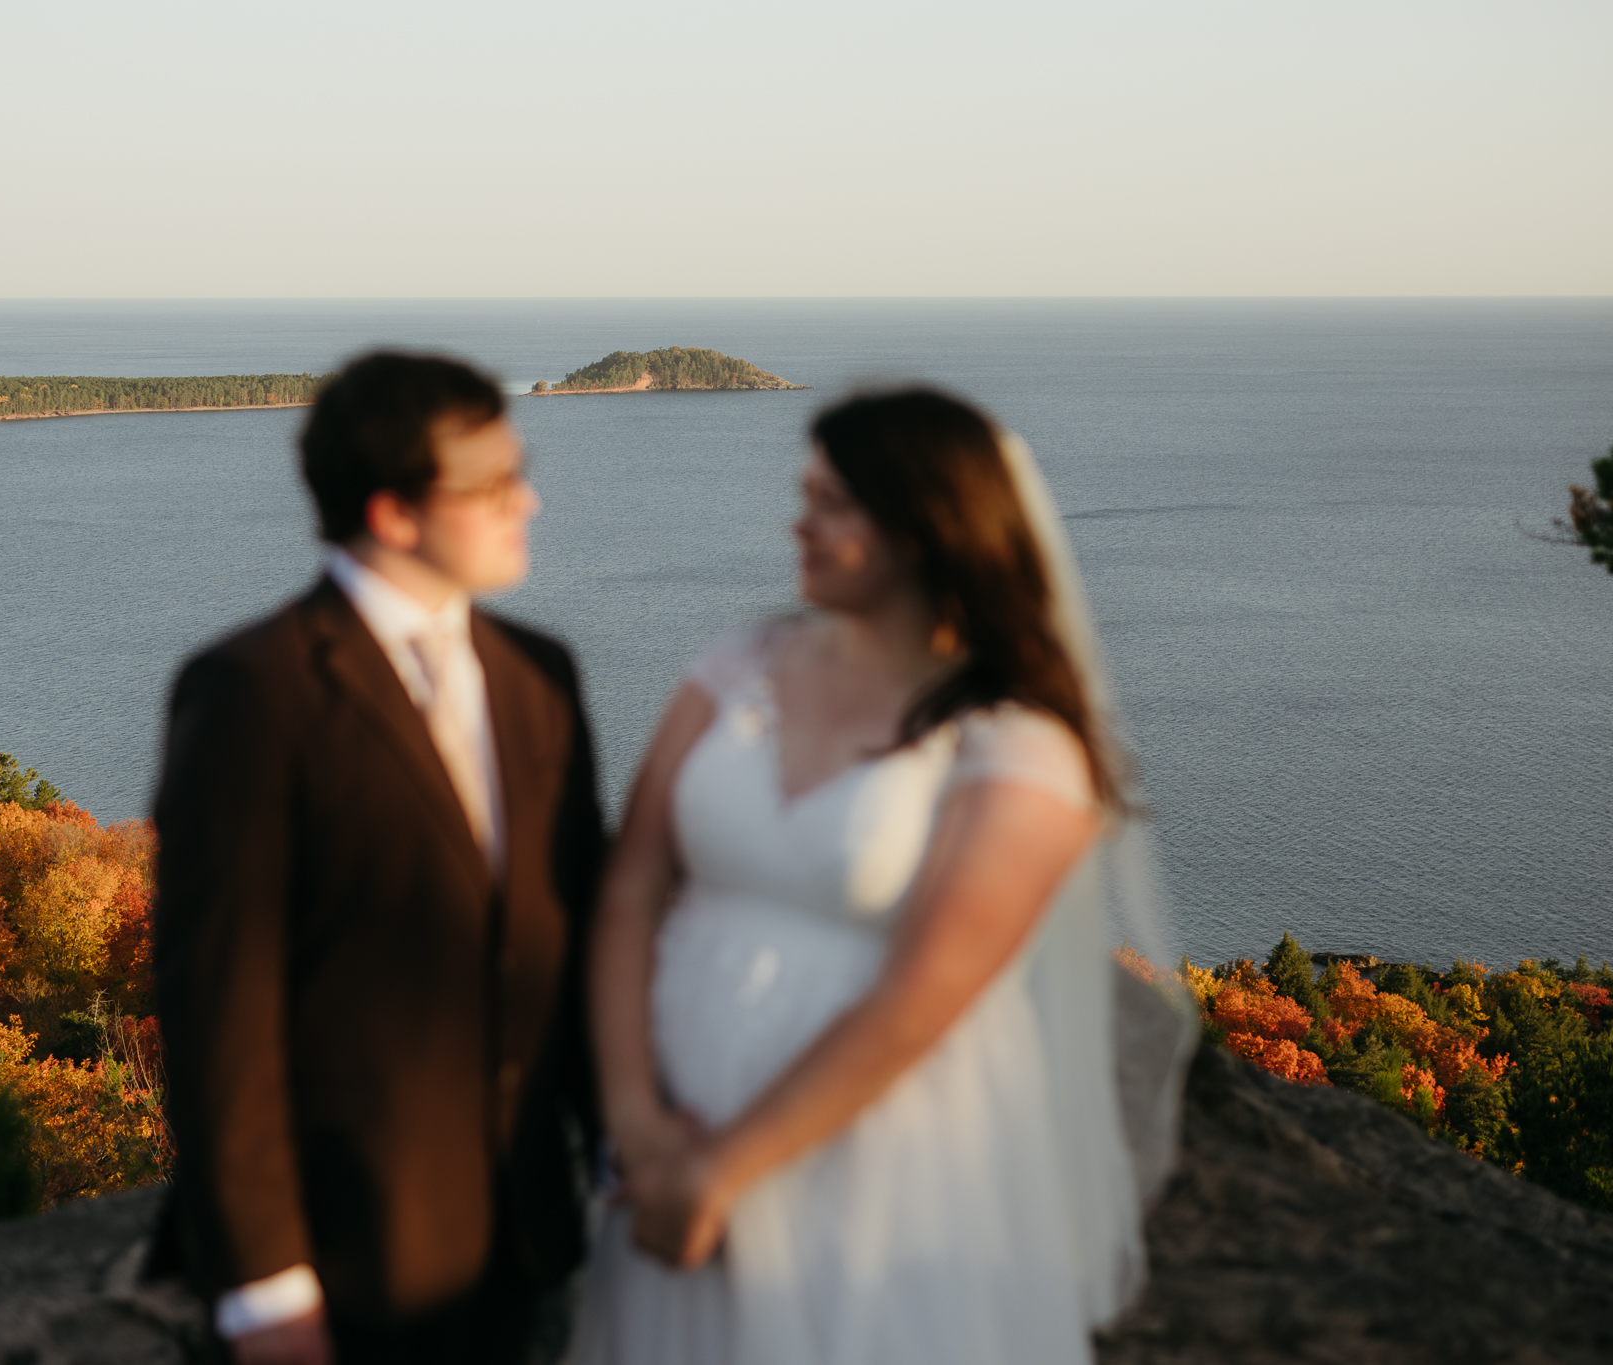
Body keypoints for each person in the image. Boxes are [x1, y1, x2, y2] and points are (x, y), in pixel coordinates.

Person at [569, 388, 1189, 1364]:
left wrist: (721, 1170)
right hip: (668, 1129)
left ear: (922, 526)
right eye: (804, 493)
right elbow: (629, 889)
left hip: (875, 1157)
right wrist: (635, 1126)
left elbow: (926, 994)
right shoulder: (734, 667)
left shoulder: (1016, 748)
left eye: (832, 502)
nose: (796, 522)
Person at [150, 352, 604, 1365]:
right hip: (345, 1262)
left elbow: (576, 932)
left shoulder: (541, 676)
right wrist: (266, 1291)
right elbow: (219, 1008)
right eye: (491, 486)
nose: (525, 500)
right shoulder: (251, 692)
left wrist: (616, 1155)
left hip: (528, 1242)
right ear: (394, 512)